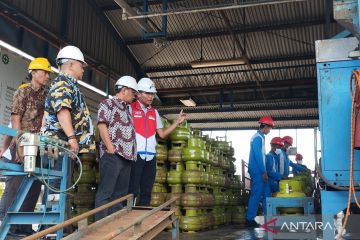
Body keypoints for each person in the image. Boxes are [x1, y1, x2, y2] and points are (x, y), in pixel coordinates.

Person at [42, 46, 95, 224]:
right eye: (81, 65)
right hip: (60, 146)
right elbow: (62, 110)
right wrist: (72, 138)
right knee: (57, 189)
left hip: (65, 148)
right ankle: (51, 229)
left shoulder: (70, 85)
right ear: (71, 64)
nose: (83, 69)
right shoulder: (63, 83)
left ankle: (59, 229)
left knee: (61, 189)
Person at [0, 59, 52, 236]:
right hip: (21, 144)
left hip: (37, 145)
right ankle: (7, 228)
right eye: (44, 72)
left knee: (35, 186)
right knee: (15, 184)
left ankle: (24, 227)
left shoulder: (45, 96)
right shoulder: (23, 92)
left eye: (48, 73)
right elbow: (15, 119)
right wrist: (19, 144)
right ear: (34, 72)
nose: (47, 76)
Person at [128, 78, 186, 206]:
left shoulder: (154, 112)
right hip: (135, 155)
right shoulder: (130, 109)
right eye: (148, 93)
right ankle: (128, 220)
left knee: (147, 190)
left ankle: (142, 222)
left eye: (152, 94)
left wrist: (177, 122)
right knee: (132, 190)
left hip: (151, 156)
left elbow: (162, 134)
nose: (151, 97)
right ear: (138, 93)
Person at [94, 76, 138, 220]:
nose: (134, 96)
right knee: (106, 192)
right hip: (113, 155)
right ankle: (100, 229)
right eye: (133, 92)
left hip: (126, 157)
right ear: (124, 90)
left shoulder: (127, 110)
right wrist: (110, 147)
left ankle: (114, 227)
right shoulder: (108, 103)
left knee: (119, 195)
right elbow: (102, 124)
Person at [245, 116, 274, 227]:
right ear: (265, 126)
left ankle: (269, 219)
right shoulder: (257, 138)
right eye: (269, 128)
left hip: (260, 170)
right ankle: (249, 219)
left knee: (266, 194)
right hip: (257, 170)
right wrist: (263, 172)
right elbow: (258, 156)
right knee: (256, 194)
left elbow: (261, 156)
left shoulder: (261, 137)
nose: (269, 130)